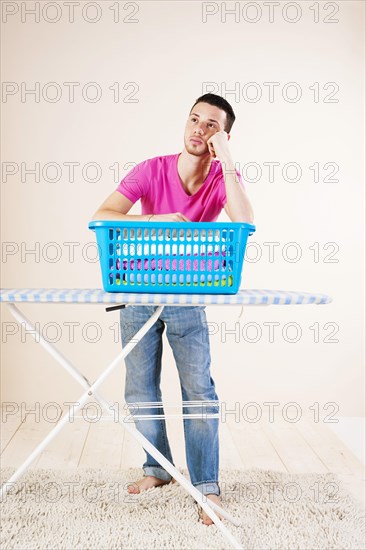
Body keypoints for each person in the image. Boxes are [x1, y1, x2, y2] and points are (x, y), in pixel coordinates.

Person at [91, 93, 254, 524]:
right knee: (140, 388)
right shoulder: (150, 170)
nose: (199, 130)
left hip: (186, 295)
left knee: (198, 390)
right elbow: (103, 213)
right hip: (138, 290)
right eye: (194, 120)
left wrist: (230, 162)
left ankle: (206, 487)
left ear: (224, 136)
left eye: (211, 125)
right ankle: (157, 469)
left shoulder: (222, 178)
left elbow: (244, 222)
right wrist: (155, 219)